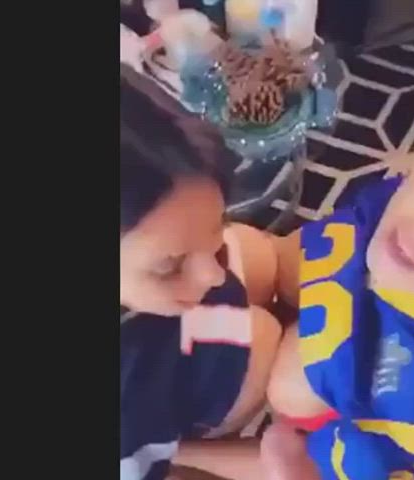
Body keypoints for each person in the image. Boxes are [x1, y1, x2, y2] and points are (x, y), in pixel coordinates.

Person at [263, 112, 414, 479]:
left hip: (337, 414)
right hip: (331, 278)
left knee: (292, 386)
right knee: (258, 256)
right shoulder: (401, 199)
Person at [119, 64, 281, 480]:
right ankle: (189, 444)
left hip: (158, 329)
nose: (213, 275)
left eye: (217, 222)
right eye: (170, 266)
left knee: (260, 256)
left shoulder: (151, 247)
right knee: (265, 339)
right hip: (151, 394)